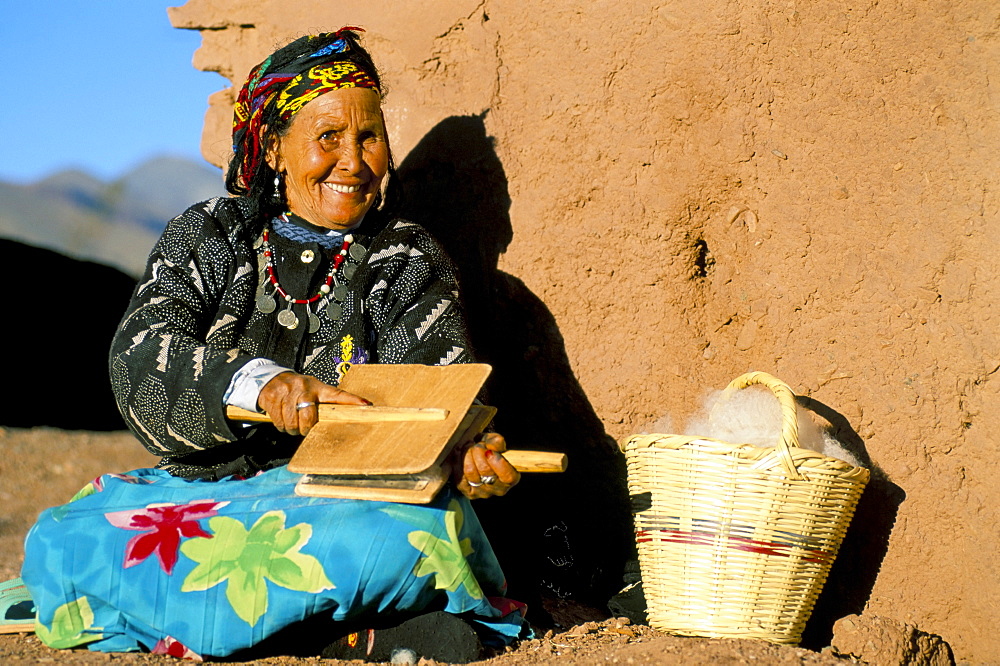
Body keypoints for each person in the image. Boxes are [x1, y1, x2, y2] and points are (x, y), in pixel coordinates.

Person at [20, 28, 524, 662]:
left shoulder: (406, 258)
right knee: (64, 541)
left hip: (343, 511)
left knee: (416, 535)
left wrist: (463, 458)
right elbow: (140, 354)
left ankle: (229, 625)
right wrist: (260, 384)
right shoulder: (210, 236)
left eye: (370, 137)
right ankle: (343, 633)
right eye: (329, 138)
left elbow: (431, 400)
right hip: (203, 501)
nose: (355, 160)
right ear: (275, 148)